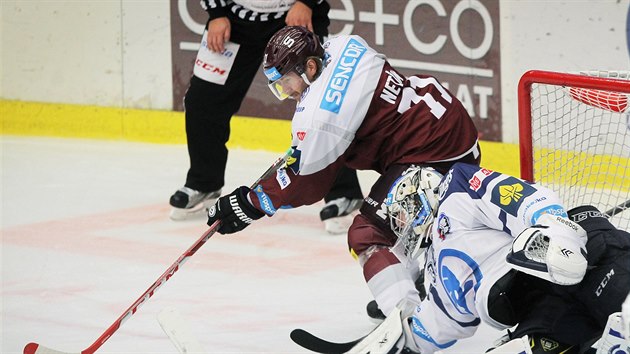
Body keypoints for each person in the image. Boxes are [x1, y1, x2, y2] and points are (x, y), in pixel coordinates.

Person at [205, 24, 481, 327]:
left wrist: (250, 203)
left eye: (286, 82)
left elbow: (307, 182)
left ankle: (409, 321)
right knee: (396, 218)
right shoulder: (344, 45)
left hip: (434, 157)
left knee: (368, 234)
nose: (285, 92)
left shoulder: (322, 115)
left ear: (310, 66)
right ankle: (411, 283)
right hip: (449, 130)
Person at [352, 163, 630, 354]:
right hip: (542, 304)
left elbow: (525, 198)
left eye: (402, 216)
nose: (402, 226)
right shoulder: (436, 275)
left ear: (417, 198)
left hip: (588, 259)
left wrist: (557, 231)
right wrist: (397, 342)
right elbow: (434, 328)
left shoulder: (456, 190)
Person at [169, 0, 363, 230]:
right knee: (203, 101)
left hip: (296, 17)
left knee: (323, 104)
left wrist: (306, 2)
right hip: (234, 19)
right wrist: (216, 13)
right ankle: (204, 183)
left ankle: (344, 194)